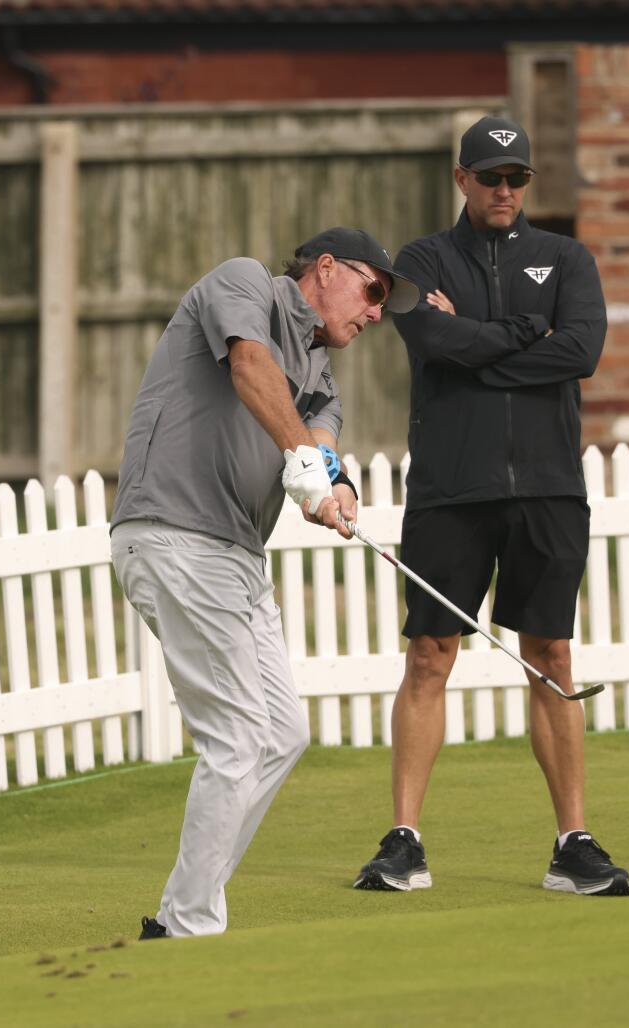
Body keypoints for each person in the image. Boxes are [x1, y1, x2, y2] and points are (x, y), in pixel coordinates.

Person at [111, 227, 419, 938]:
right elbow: (251, 368)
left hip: (238, 556)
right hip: (174, 535)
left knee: (282, 731)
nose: (376, 313)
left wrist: (329, 487)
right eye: (372, 291)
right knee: (239, 734)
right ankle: (189, 924)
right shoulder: (243, 282)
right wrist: (304, 464)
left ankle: (179, 909)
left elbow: (321, 438)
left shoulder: (321, 369)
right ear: (327, 268)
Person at [352, 116, 629, 896]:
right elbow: (431, 343)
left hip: (548, 489)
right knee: (429, 657)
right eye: (490, 177)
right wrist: (516, 337)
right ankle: (403, 841)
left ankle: (572, 844)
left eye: (517, 179)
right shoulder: (418, 261)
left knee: (551, 658)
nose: (504, 190)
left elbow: (580, 352)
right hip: (450, 489)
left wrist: (480, 344)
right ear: (462, 179)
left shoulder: (566, 258)